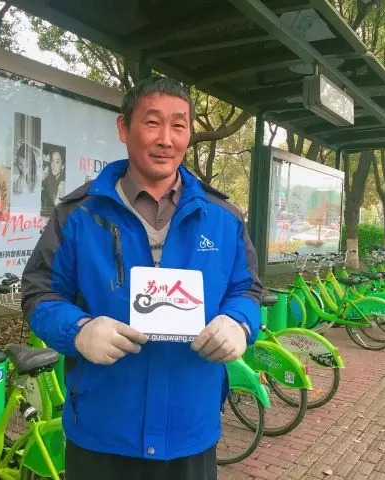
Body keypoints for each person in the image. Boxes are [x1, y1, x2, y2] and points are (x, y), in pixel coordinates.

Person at [21, 75, 263, 480]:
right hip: (102, 430)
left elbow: (247, 288)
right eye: (152, 123)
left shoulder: (224, 218)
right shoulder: (79, 215)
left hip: (190, 430)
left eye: (178, 126)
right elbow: (39, 292)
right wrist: (78, 331)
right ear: (124, 128)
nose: (166, 139)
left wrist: (239, 322)